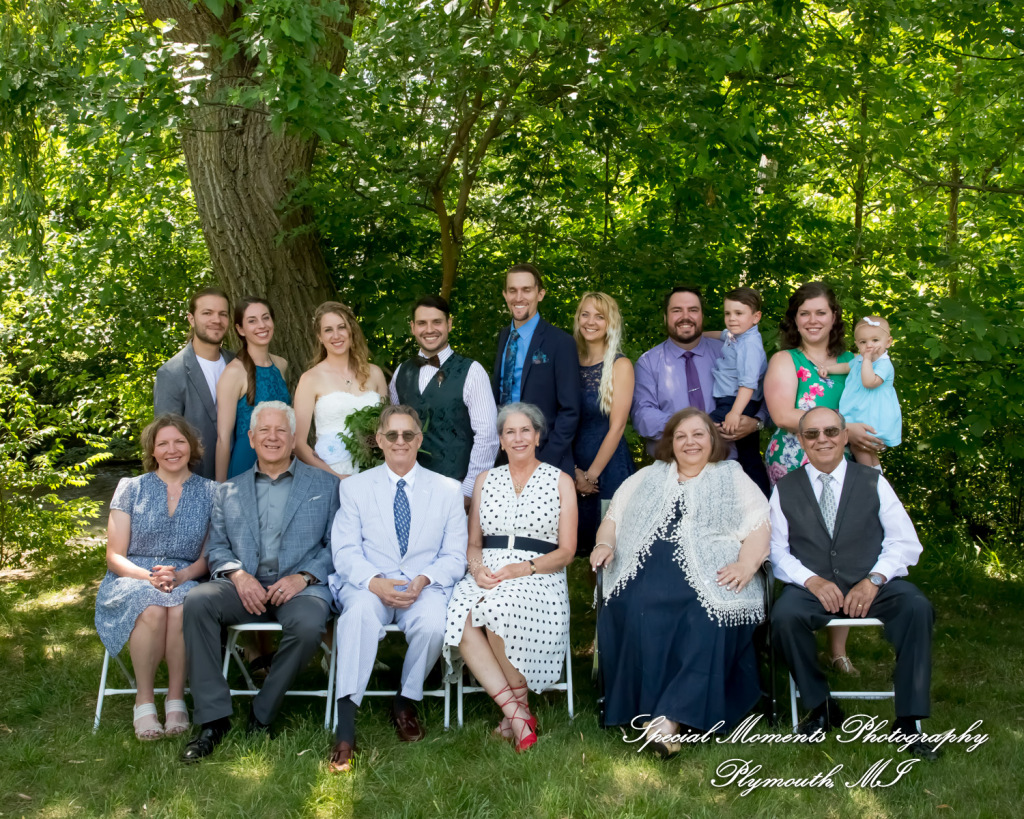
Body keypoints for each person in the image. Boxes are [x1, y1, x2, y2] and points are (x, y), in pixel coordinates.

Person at [591, 408, 770, 756]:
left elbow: (760, 524)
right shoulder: (647, 476)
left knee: (708, 617)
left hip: (713, 573)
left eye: (698, 434)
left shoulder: (732, 475)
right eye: (681, 436)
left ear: (712, 439)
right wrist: (604, 544)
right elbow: (613, 518)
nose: (690, 442)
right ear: (670, 443)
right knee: (635, 607)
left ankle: (667, 719)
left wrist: (747, 564)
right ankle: (659, 713)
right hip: (644, 574)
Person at [769, 407, 938, 760]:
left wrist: (874, 579)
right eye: (812, 434)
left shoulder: (873, 481)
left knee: (916, 607)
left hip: (872, 581)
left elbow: (904, 541)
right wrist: (811, 580)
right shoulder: (785, 488)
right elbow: (776, 551)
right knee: (784, 618)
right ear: (802, 441)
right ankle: (821, 707)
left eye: (831, 431)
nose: (822, 439)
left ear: (845, 436)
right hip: (813, 586)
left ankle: (908, 722)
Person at [180, 401, 339, 762]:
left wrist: (303, 577)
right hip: (244, 585)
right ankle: (213, 720)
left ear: (293, 438)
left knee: (309, 624)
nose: (272, 437)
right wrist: (238, 575)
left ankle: (262, 711)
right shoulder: (227, 491)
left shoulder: (326, 485)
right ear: (251, 438)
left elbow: (337, 546)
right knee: (198, 601)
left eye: (281, 430)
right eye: (264, 430)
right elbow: (217, 547)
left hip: (301, 588)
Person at [328, 405, 468, 773]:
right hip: (370, 584)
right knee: (357, 617)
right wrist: (374, 582)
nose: (400, 441)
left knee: (435, 623)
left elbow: (455, 556)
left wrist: (424, 580)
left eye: (408, 434)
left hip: (422, 586)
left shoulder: (448, 490)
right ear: (379, 440)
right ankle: (345, 729)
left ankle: (405, 701)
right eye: (392, 434)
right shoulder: (354, 488)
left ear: (419, 440)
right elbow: (344, 551)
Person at [762, 282, 883, 673]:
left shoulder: (854, 361)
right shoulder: (786, 359)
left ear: (834, 317)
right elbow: (782, 413)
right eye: (804, 313)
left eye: (820, 312)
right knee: (796, 545)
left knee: (845, 547)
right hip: (794, 458)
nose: (812, 320)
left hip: (845, 460)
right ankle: (789, 631)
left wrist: (867, 438)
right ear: (794, 320)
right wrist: (844, 427)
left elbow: (874, 402)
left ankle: (837, 647)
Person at [443, 403, 577, 753]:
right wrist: (477, 570)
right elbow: (474, 543)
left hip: (540, 572)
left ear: (537, 436)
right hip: (488, 569)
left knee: (497, 608)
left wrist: (522, 568)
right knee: (460, 614)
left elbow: (566, 551)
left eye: (525, 430)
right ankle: (518, 714)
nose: (518, 438)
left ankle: (514, 717)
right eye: (510, 432)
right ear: (501, 441)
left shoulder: (561, 481)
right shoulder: (485, 480)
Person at [94, 414, 216, 740]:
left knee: (183, 606)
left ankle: (176, 699)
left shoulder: (212, 492)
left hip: (186, 575)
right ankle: (144, 700)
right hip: (132, 575)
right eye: (163, 443)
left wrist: (182, 575)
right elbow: (114, 556)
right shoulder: (131, 488)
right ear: (152, 450)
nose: (171, 450)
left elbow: (209, 556)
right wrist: (148, 577)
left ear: (192, 446)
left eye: (179, 442)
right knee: (150, 607)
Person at [632, 286, 770, 492]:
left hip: (728, 470)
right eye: (677, 310)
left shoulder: (728, 351)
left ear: (702, 315)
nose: (685, 316)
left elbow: (763, 393)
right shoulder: (648, 362)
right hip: (673, 474)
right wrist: (695, 430)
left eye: (693, 310)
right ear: (665, 317)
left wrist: (756, 423)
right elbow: (643, 417)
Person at [390, 295, 499, 507]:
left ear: (449, 324)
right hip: (409, 490)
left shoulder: (472, 371)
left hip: (456, 490)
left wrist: (468, 490)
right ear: (412, 327)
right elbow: (393, 430)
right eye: (422, 323)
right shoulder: (401, 372)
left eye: (437, 322)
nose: (429, 329)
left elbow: (488, 436)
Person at [491, 263, 580, 475]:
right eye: (512, 290)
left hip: (547, 460)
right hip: (503, 458)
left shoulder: (560, 342)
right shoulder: (504, 337)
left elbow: (570, 411)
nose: (519, 297)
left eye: (526, 290)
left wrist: (544, 462)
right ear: (505, 295)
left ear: (540, 294)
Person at [571, 292, 635, 556]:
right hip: (571, 468)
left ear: (611, 323)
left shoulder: (621, 365)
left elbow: (617, 427)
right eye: (585, 314)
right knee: (570, 545)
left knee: (609, 549)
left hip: (607, 471)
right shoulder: (569, 362)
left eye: (599, 316)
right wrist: (574, 471)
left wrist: (590, 475)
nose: (590, 322)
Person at [293, 301, 388, 478]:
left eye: (342, 327)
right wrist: (337, 478)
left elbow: (387, 430)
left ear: (351, 330)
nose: (336, 335)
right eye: (328, 330)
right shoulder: (310, 379)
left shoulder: (375, 374)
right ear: (319, 336)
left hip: (374, 473)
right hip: (331, 476)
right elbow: (298, 444)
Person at [153, 288, 234, 479]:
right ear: (191, 319)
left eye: (223, 314)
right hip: (196, 478)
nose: (216, 320)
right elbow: (167, 441)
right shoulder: (171, 373)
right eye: (207, 313)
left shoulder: (237, 363)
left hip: (244, 475)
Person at [215, 297, 290, 481]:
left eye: (266, 318)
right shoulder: (234, 372)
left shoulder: (281, 365)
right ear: (240, 329)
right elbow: (223, 438)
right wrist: (221, 488)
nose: (261, 325)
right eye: (252, 321)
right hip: (246, 464)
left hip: (281, 460)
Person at [705, 287, 770, 495]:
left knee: (702, 431)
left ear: (756, 317)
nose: (732, 318)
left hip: (738, 402)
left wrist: (734, 412)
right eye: (728, 313)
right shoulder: (736, 335)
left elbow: (748, 384)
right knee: (747, 455)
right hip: (733, 400)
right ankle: (758, 496)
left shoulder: (750, 345)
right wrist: (699, 335)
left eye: (739, 313)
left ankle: (761, 496)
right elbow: (720, 334)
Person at [819, 315, 902, 469]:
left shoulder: (884, 364)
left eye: (875, 340)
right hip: (860, 410)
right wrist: (828, 369)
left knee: (860, 446)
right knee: (866, 449)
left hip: (872, 413)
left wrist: (867, 360)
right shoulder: (859, 360)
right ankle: (877, 477)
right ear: (857, 344)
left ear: (888, 342)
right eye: (863, 342)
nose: (869, 346)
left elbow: (869, 382)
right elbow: (846, 367)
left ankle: (867, 478)